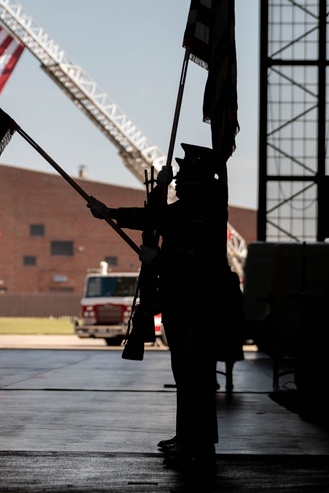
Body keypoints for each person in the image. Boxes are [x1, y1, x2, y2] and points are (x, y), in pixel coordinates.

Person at [87, 143, 230, 470]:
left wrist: (159, 258)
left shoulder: (203, 208)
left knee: (196, 376)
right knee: (185, 374)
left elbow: (194, 256)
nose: (178, 180)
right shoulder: (193, 206)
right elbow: (156, 217)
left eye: (182, 175)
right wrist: (112, 211)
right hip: (183, 302)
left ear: (197, 178)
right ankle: (187, 438)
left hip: (198, 304)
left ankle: (200, 445)